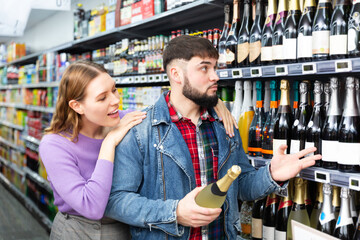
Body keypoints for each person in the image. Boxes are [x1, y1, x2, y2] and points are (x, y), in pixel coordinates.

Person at [105, 35, 322, 240]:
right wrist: (175, 212)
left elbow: (241, 186)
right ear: (176, 74)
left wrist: (271, 175)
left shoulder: (223, 124)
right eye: (204, 68)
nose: (215, 76)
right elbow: (117, 200)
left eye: (215, 67)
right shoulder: (140, 130)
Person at [39, 60, 235, 240]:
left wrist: (213, 102)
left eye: (114, 90)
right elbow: (92, 207)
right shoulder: (54, 145)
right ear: (77, 106)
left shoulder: (126, 120)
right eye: (102, 98)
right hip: (77, 231)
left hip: (124, 226)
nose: (115, 100)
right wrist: (109, 143)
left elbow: (166, 109)